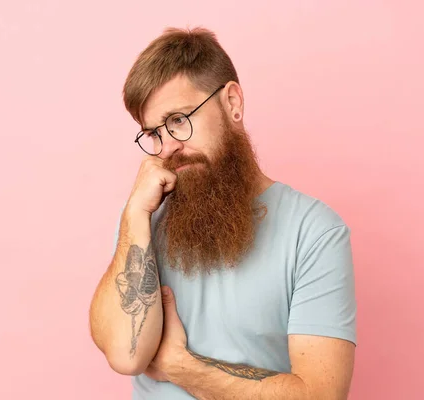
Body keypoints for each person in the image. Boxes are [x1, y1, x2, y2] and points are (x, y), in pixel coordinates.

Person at [89, 27, 357, 400]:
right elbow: (125, 354)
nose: (167, 148)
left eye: (178, 120)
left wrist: (179, 366)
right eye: (153, 134)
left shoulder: (314, 231)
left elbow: (320, 395)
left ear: (232, 102)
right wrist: (134, 213)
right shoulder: (144, 217)